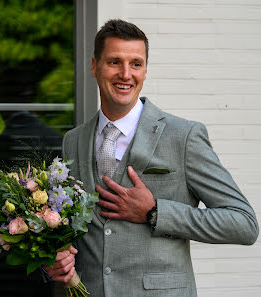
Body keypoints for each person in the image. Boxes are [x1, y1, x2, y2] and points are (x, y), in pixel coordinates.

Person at [44, 19, 259, 297]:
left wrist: (155, 212)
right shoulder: (73, 140)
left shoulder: (184, 136)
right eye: (114, 62)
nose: (125, 74)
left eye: (136, 64)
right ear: (94, 66)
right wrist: (57, 257)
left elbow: (243, 224)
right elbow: (72, 230)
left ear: (145, 70)